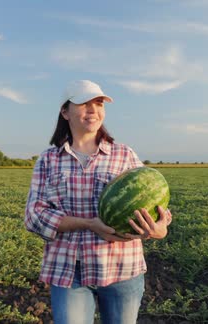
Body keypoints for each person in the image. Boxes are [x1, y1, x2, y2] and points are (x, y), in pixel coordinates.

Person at [24, 80, 172, 324]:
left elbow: (156, 203)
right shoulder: (49, 159)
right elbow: (34, 216)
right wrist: (89, 224)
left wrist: (160, 229)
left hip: (122, 270)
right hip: (69, 272)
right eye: (83, 103)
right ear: (65, 111)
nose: (93, 109)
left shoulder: (124, 154)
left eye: (99, 103)